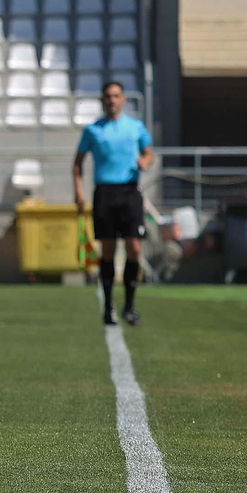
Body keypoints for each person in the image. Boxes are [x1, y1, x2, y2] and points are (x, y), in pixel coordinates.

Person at [73, 81, 155, 326]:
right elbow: (77, 164)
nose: (112, 100)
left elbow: (149, 153)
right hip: (105, 194)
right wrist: (78, 191)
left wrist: (146, 161)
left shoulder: (135, 127)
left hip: (129, 193)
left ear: (123, 100)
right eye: (108, 96)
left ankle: (130, 306)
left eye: (116, 96)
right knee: (107, 251)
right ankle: (108, 306)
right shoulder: (93, 130)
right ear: (102, 100)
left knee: (135, 248)